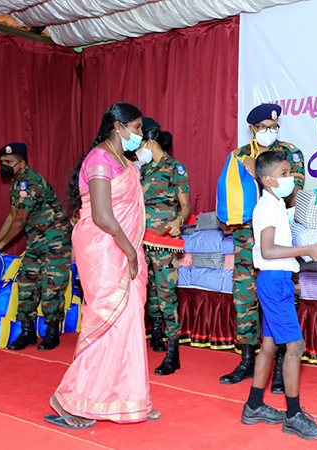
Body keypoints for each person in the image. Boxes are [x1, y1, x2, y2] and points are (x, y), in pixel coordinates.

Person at [45, 102, 159, 429]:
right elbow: (102, 216)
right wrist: (131, 252)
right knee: (106, 321)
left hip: (124, 246)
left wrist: (132, 250)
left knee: (129, 322)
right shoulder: (99, 159)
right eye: (136, 128)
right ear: (118, 126)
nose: (140, 134)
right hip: (105, 249)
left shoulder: (125, 161)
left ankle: (125, 397)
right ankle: (70, 399)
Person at [217, 103, 306, 392]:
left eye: (274, 126)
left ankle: (280, 367)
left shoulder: (289, 153)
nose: (270, 131)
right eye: (264, 127)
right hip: (246, 241)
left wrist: (259, 174)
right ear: (253, 128)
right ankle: (246, 360)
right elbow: (228, 193)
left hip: (277, 242)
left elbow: (294, 197)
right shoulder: (238, 155)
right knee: (244, 300)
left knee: (281, 302)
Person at [241, 151, 317, 440]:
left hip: (277, 280)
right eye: (284, 174)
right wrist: (308, 249)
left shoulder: (276, 205)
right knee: (295, 346)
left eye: (290, 172)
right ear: (267, 180)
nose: (290, 178)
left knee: (269, 345)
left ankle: (254, 406)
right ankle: (293, 414)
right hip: (274, 281)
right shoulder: (267, 208)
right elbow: (267, 250)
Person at [0, 142, 71, 351]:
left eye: (9, 162)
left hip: (55, 239)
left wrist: (2, 243)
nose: (4, 166)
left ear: (22, 164)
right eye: (2, 162)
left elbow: (20, 220)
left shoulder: (31, 182)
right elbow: (12, 215)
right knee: (26, 283)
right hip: (36, 240)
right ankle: (27, 333)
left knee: (52, 286)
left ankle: (52, 333)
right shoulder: (17, 183)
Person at [139, 117, 191, 375]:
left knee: (165, 293)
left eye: (140, 143)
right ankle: (156, 335)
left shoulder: (174, 168)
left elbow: (186, 206)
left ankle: (173, 353)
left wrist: (178, 222)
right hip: (140, 240)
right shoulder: (140, 169)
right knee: (146, 290)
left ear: (150, 142)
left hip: (163, 241)